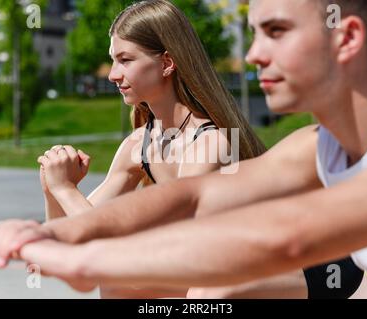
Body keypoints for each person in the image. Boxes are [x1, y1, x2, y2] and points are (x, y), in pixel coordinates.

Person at [0, 0, 367, 298]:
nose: (253, 55)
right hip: (362, 283)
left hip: (315, 272)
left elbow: (286, 239)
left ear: (348, 36)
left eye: (276, 31)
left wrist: (88, 259)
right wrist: (52, 231)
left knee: (209, 289)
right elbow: (192, 196)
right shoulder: (314, 144)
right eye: (254, 34)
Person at [33, 0, 265, 298]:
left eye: (125, 60)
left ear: (167, 62)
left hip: (266, 273)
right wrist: (51, 189)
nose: (113, 74)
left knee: (130, 279)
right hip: (208, 273)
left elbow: (175, 252)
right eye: (113, 60)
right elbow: (71, 238)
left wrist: (66, 189)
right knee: (118, 280)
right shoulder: (138, 145)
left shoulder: (212, 142)